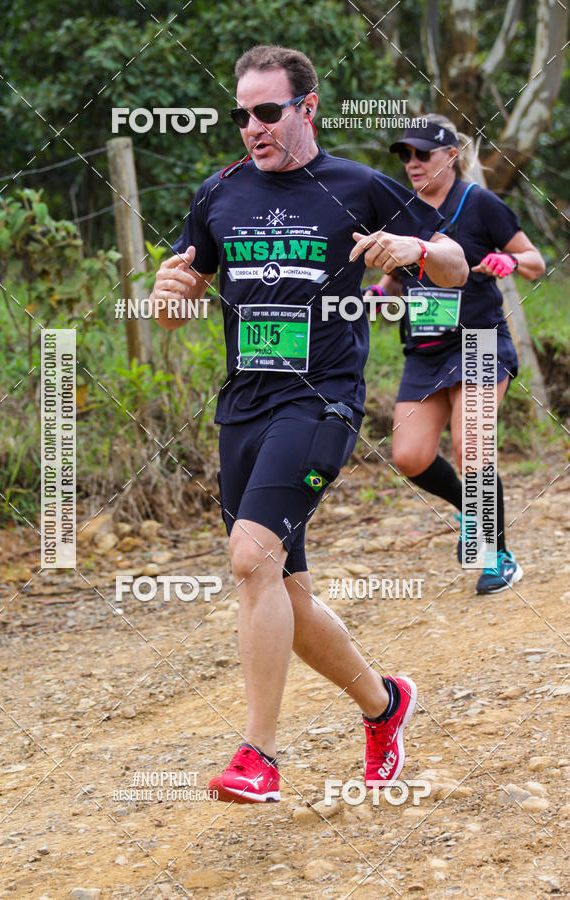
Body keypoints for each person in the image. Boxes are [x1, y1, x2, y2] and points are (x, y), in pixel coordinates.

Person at [151, 48, 468, 803]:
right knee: (283, 587)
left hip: (320, 399)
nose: (252, 128)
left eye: (268, 112)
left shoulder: (358, 185)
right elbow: (177, 299)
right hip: (244, 405)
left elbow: (456, 262)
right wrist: (169, 293)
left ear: (308, 108)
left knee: (249, 558)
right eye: (242, 115)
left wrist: (417, 247)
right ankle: (385, 704)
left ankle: (259, 755)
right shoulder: (218, 193)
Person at [366, 115, 545, 594]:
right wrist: (378, 294)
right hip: (425, 348)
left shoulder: (479, 203)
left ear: (451, 155)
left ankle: (497, 555)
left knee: (472, 447)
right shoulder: (400, 208)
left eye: (422, 153)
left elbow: (535, 261)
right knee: (409, 456)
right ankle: (472, 508)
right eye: (405, 155)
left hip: (480, 339)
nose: (412, 163)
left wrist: (511, 262)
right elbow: (397, 273)